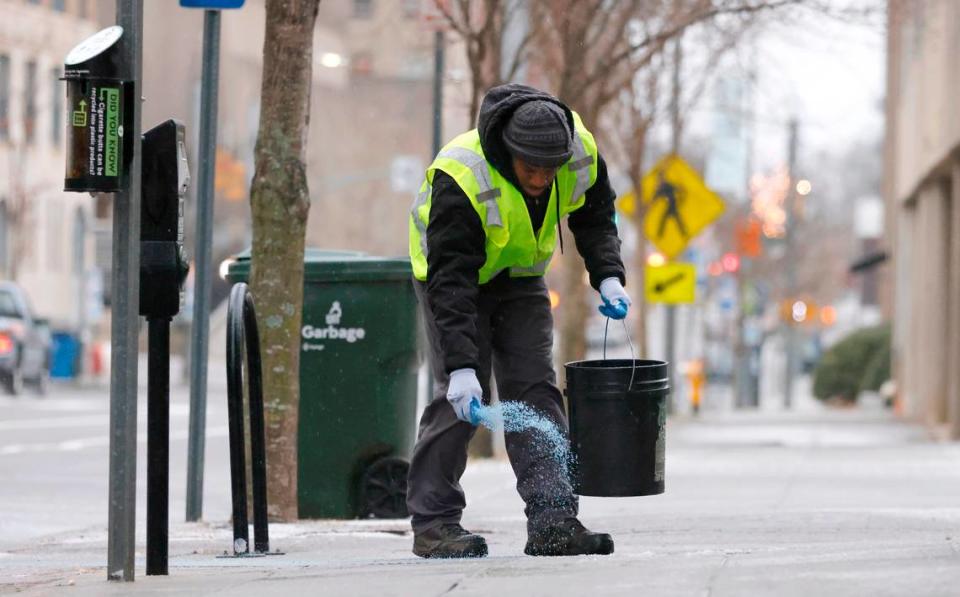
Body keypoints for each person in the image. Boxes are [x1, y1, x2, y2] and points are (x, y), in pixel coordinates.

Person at [407, 84, 631, 558]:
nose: (543, 179)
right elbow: (452, 281)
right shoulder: (461, 175)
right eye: (532, 168)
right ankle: (434, 524)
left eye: (551, 168)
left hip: (522, 277)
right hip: (451, 279)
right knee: (460, 401)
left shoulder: (580, 154)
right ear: (509, 152)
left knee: (535, 389)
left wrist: (608, 275)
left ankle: (553, 521)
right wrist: (463, 367)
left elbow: (595, 215)